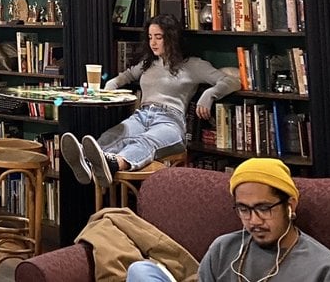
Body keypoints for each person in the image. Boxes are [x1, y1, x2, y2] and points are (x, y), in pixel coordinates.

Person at [61, 14, 239, 188]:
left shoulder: (193, 65)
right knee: (114, 135)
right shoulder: (149, 63)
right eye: (150, 37)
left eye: (158, 37)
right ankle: (85, 160)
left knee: (146, 141)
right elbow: (128, 74)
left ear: (172, 38)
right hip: (142, 115)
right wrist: (111, 84)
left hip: (170, 120)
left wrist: (210, 94)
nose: (153, 43)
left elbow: (232, 81)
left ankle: (113, 164)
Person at [126, 157, 330, 281]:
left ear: (290, 206)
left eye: (264, 208)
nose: (253, 221)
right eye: (244, 209)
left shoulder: (326, 270)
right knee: (141, 271)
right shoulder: (224, 248)